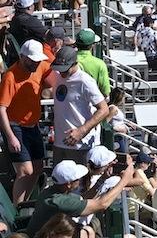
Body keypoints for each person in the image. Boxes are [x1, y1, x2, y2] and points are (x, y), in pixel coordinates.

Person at [0, 39, 52, 203]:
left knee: (38, 168)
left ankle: (24, 203)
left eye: (38, 60)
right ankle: (17, 207)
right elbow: (2, 108)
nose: (36, 63)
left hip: (33, 126)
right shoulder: (10, 77)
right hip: (16, 127)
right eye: (32, 60)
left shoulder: (41, 66)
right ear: (22, 57)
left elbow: (53, 75)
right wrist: (10, 137)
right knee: (25, 171)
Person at [47, 46, 109, 165]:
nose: (62, 72)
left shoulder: (85, 82)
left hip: (80, 145)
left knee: (80, 182)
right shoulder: (56, 75)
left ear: (75, 64)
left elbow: (104, 109)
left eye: (65, 69)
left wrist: (81, 131)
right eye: (59, 69)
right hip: (59, 143)